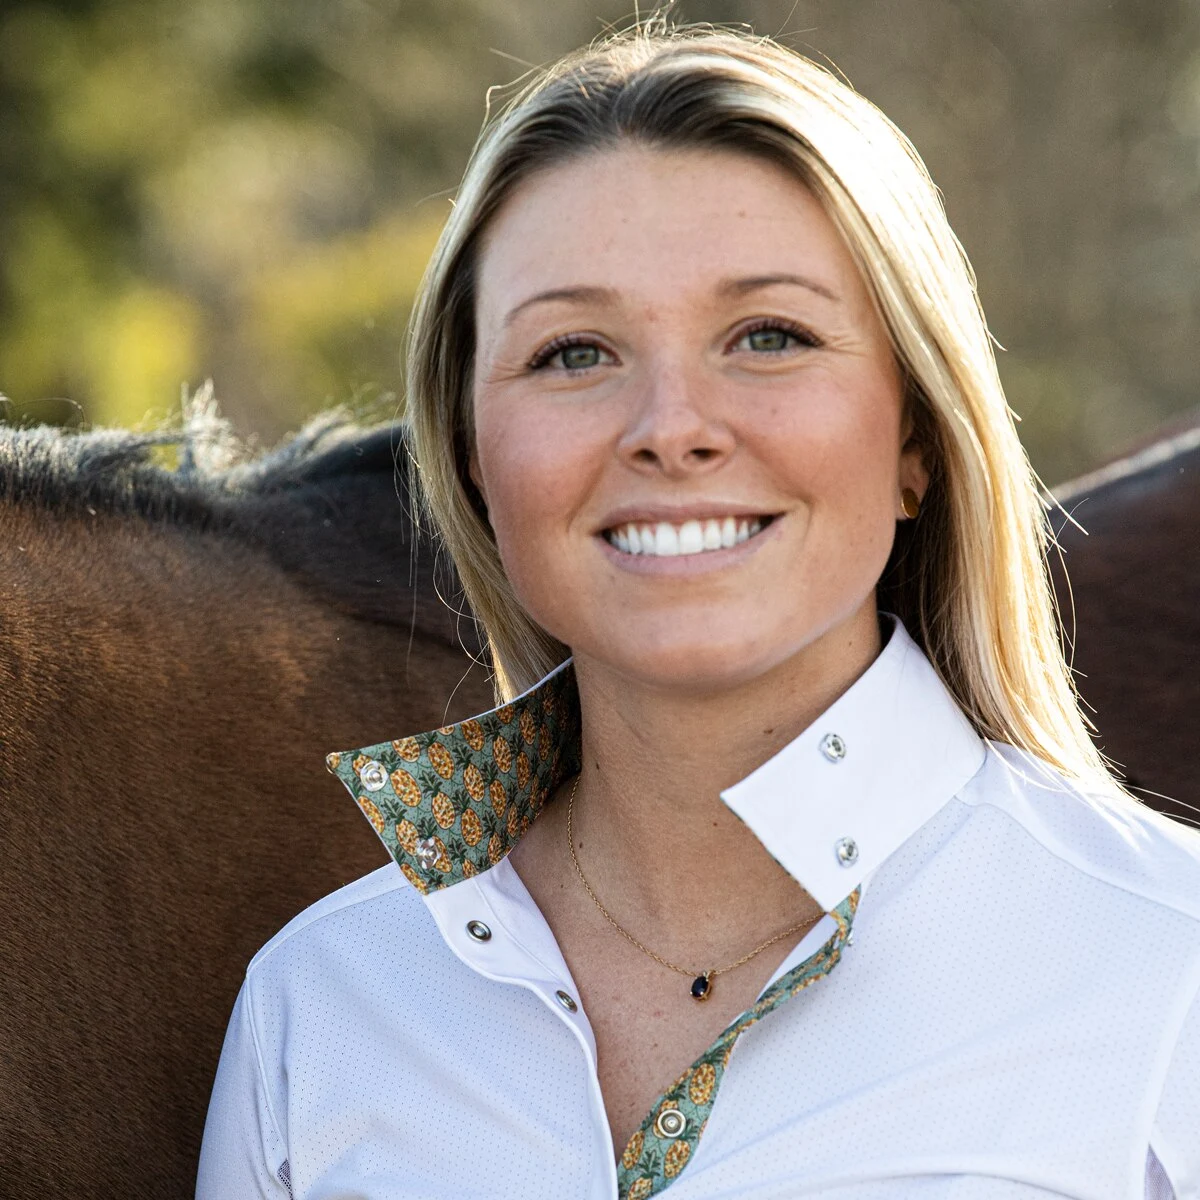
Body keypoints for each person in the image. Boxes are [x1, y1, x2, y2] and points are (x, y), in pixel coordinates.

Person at [197, 23, 1200, 1200]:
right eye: (574, 353)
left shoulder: (1167, 966)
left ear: (916, 437)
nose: (671, 427)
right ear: (471, 454)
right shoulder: (322, 1008)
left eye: (769, 337)